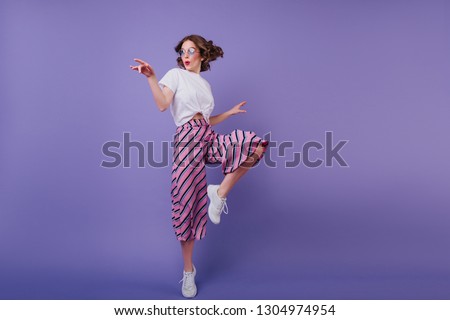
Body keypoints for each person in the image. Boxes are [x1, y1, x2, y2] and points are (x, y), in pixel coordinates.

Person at [130, 34, 268, 298]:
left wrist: (227, 114)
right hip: (186, 142)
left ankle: (218, 192)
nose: (186, 55)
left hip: (207, 136)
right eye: (183, 51)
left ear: (202, 56)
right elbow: (162, 105)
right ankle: (188, 272)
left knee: (254, 145)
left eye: (191, 50)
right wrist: (150, 77)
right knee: (187, 205)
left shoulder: (205, 84)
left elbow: (205, 119)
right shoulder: (175, 75)